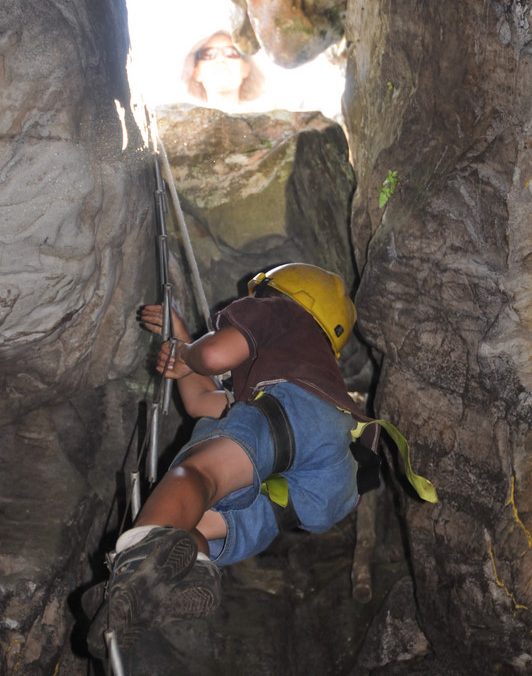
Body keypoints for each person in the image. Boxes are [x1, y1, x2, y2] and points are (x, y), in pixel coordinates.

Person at [86, 263, 378, 658]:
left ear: (277, 295)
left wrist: (189, 352)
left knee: (200, 472)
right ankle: (178, 574)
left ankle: (133, 567)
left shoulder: (281, 312)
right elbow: (202, 403)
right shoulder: (300, 378)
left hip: (293, 418)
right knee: (195, 521)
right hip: (324, 484)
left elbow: (215, 353)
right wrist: (182, 341)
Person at [181, 30, 265, 110]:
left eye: (231, 52)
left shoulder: (268, 122)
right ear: (196, 72)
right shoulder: (181, 123)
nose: (220, 59)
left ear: (246, 68)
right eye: (208, 54)